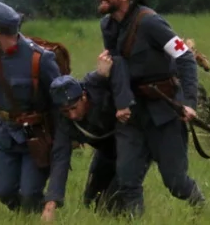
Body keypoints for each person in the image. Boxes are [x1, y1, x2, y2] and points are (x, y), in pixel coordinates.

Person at [96, 0, 205, 217]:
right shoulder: (107, 26)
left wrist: (189, 102)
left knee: (176, 183)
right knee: (127, 180)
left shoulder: (151, 22)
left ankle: (205, 212)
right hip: (131, 113)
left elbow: (184, 56)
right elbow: (119, 66)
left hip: (164, 111)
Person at [0, 0, 63, 214]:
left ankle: (36, 213)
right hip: (5, 134)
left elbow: (59, 100)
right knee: (3, 192)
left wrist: (59, 141)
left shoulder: (41, 59)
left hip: (35, 136)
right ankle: (25, 216)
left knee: (30, 193)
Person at [43, 51, 150, 221]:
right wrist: (51, 203)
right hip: (107, 151)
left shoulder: (97, 84)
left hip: (135, 144)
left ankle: (136, 219)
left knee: (118, 196)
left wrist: (104, 73)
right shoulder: (65, 122)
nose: (71, 115)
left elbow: (121, 77)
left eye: (74, 108)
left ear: (83, 97)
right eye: (65, 111)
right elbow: (60, 158)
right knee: (91, 200)